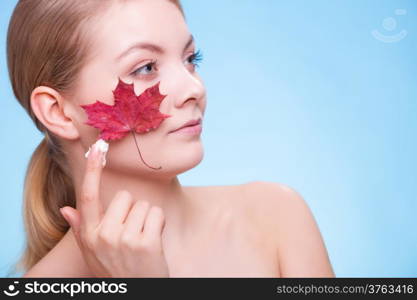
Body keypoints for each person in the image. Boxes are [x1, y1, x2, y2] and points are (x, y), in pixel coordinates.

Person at [7, 0, 335, 277]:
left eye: (191, 59)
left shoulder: (275, 216)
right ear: (58, 113)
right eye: (146, 68)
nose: (195, 89)